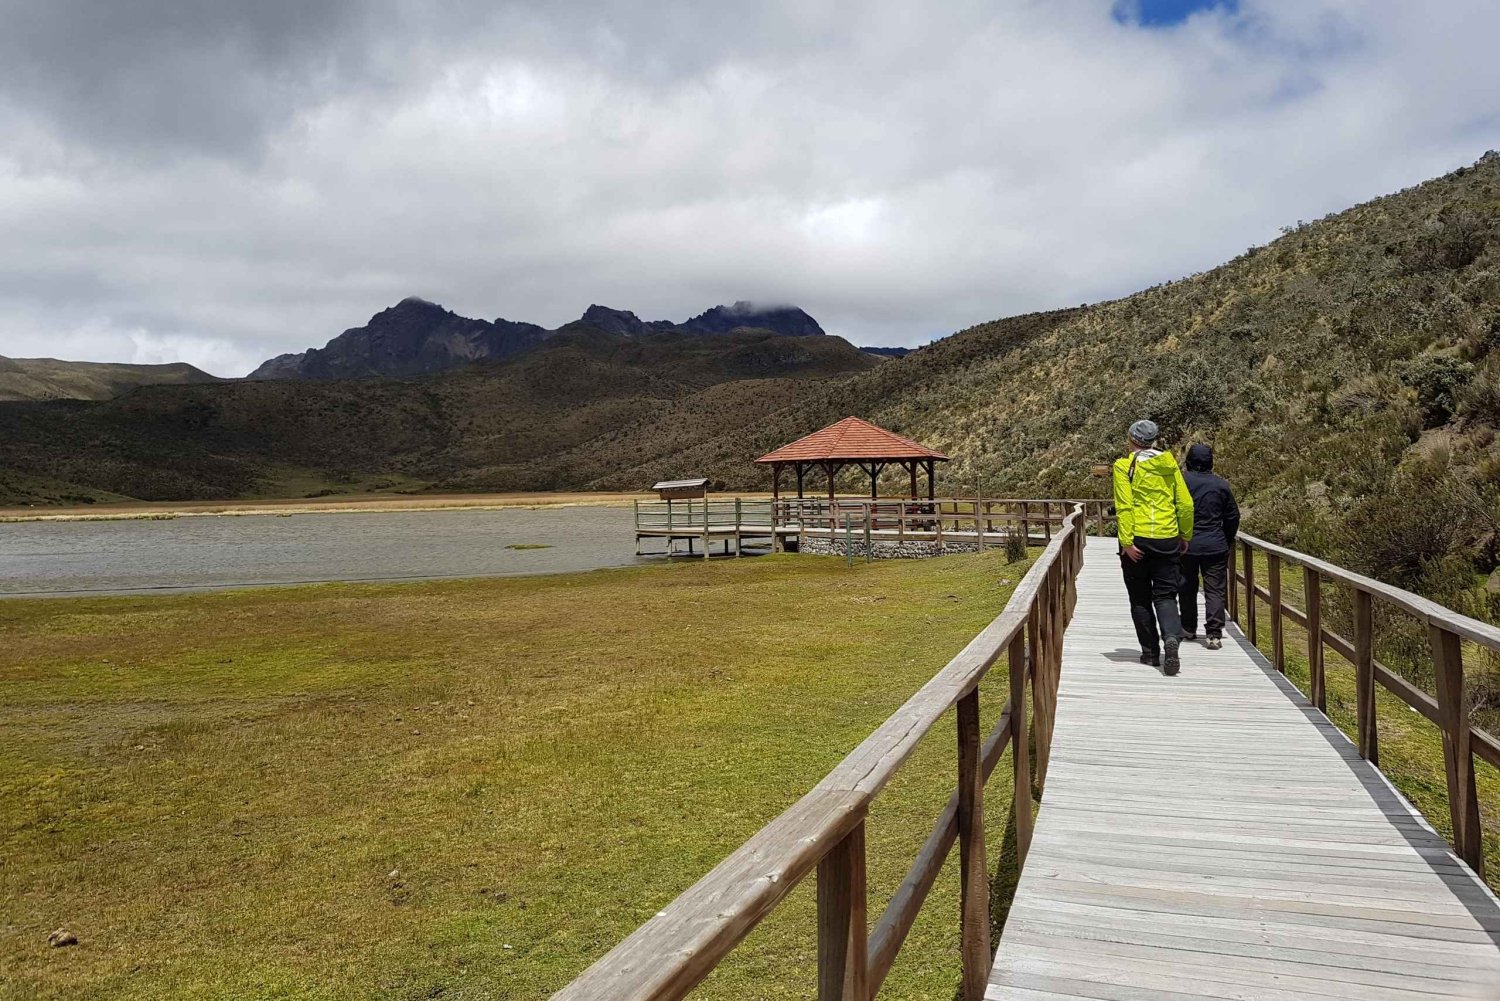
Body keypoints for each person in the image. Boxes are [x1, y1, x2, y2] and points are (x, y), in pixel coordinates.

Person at [1113, 419, 1194, 675]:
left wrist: (1126, 542)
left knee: (1139, 597)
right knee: (1166, 595)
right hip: (1167, 536)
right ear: (1154, 440)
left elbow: (1124, 507)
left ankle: (1150, 653)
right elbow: (1186, 504)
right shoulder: (1169, 465)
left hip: (1137, 538)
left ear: (1131, 440)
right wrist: (1185, 534)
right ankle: (1171, 637)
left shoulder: (1124, 467)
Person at [1178, 443, 1240, 651]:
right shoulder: (1221, 485)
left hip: (1185, 545)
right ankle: (1214, 634)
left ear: (1189, 461)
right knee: (1215, 590)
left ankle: (1187, 628)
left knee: (1186, 586)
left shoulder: (1181, 482)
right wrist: (1226, 538)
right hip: (1215, 545)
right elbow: (1232, 516)